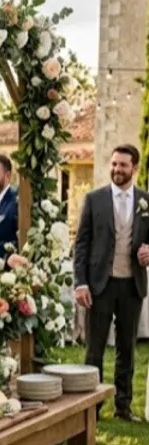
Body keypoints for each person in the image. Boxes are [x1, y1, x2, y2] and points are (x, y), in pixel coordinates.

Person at [74, 144, 149, 422]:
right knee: (94, 348)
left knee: (126, 348)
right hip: (99, 285)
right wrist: (80, 283)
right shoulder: (95, 199)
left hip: (132, 285)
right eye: (114, 164)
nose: (117, 169)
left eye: (123, 165)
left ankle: (123, 407)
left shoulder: (146, 201)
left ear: (135, 169)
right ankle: (91, 408)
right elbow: (81, 244)